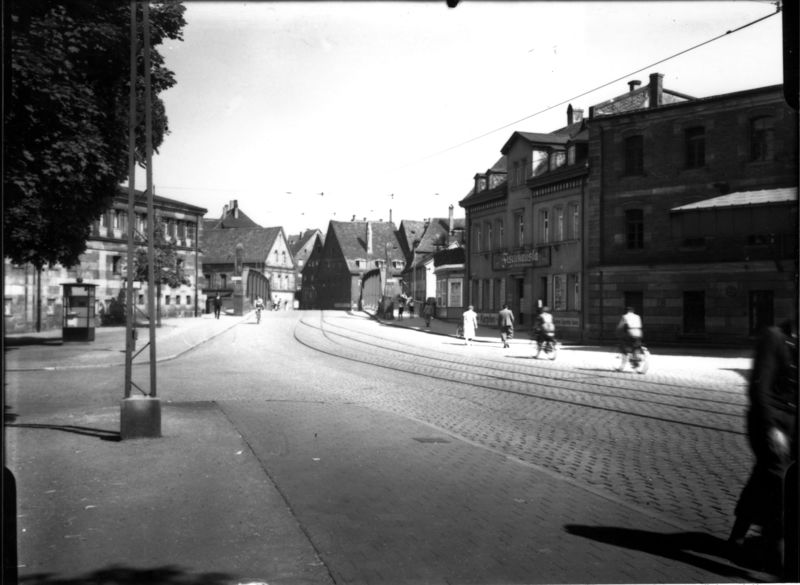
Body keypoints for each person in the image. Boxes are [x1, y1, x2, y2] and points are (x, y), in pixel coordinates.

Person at [728, 318, 798, 578]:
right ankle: (778, 557)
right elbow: (759, 391)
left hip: (793, 422)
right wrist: (772, 429)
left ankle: (736, 538)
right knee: (781, 482)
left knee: (763, 477)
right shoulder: (773, 337)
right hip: (768, 421)